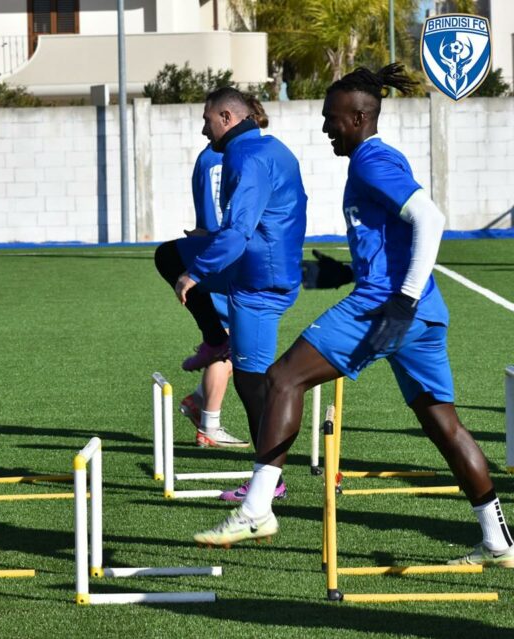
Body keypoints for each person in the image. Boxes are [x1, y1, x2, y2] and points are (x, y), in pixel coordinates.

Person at [193, 66, 514, 569]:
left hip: (389, 306)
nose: (326, 128)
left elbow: (431, 219)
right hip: (422, 311)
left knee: (281, 379)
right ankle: (497, 541)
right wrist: (342, 272)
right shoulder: (375, 160)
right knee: (444, 426)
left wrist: (401, 300)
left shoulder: (371, 162)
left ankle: (256, 508)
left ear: (360, 117)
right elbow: (394, 238)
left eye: (332, 119)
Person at [154, 88, 307, 501]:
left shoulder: (246, 157)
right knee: (168, 255)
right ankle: (215, 340)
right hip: (252, 262)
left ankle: (270, 481)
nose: (203, 129)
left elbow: (239, 231)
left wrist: (196, 274)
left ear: (225, 117)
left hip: (261, 281)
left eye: (206, 120)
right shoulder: (266, 148)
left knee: (253, 383)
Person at [178, 94, 272, 451]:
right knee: (231, 343)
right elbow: (221, 223)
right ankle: (209, 424)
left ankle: (200, 400)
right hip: (226, 261)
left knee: (232, 340)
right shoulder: (220, 159)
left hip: (224, 256)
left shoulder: (221, 157)